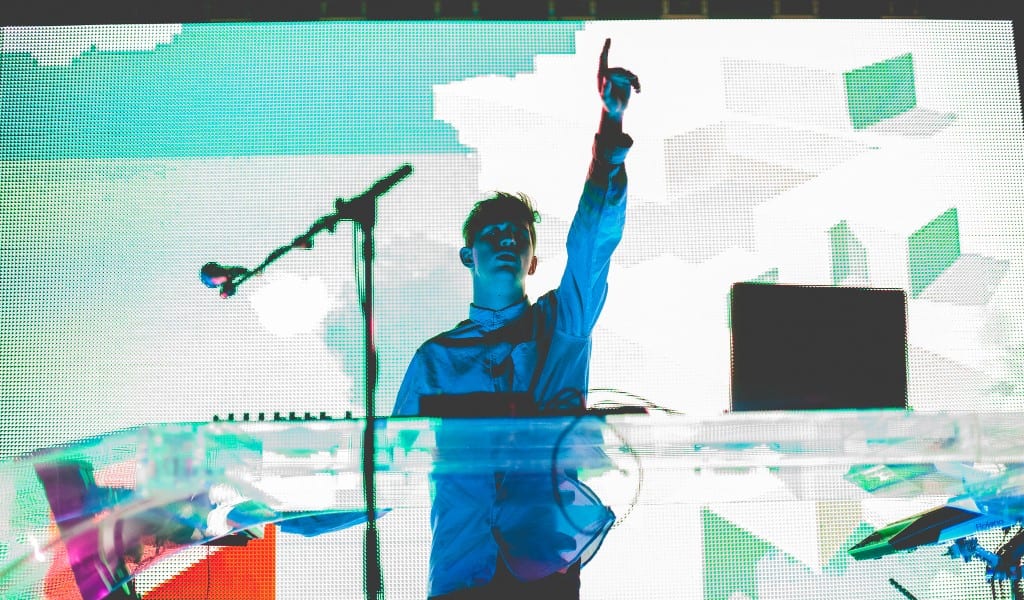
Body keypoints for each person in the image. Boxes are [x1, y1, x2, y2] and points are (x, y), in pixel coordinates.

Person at [392, 38, 640, 599]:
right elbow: (385, 467)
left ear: (532, 260)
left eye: (518, 233)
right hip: (461, 571)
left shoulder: (561, 326)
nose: (506, 238)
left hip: (543, 572)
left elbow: (592, 249)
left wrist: (609, 134)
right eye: (492, 232)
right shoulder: (436, 360)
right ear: (468, 255)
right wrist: (269, 515)